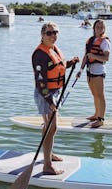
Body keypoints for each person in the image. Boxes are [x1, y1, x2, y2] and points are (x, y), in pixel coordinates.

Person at [32, 22, 79, 175]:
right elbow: (40, 83)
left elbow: (60, 66)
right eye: (49, 33)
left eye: (55, 32)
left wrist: (72, 62)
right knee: (52, 128)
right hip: (45, 95)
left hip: (54, 92)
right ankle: (47, 166)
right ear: (42, 35)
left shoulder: (54, 49)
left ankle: (48, 153)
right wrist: (50, 102)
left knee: (48, 127)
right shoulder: (39, 54)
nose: (53, 36)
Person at [77, 19, 110, 128]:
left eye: (102, 27)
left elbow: (106, 58)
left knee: (100, 95)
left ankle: (101, 119)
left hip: (99, 71)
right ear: (94, 28)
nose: (99, 29)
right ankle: (96, 114)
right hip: (89, 71)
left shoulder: (105, 42)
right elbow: (86, 56)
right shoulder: (90, 40)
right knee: (94, 94)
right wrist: (80, 70)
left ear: (104, 29)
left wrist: (94, 56)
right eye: (98, 27)